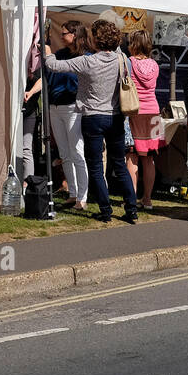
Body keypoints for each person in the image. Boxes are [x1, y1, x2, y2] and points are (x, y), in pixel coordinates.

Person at [44, 19, 139, 223]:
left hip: (93, 117)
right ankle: (131, 209)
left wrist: (46, 49)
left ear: (96, 40)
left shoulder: (88, 61)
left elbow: (54, 65)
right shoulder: (121, 59)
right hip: (115, 116)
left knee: (95, 166)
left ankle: (106, 211)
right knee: (119, 165)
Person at [49, 20, 89, 210]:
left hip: (73, 107)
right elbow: (49, 75)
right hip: (55, 106)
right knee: (65, 153)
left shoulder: (86, 57)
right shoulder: (60, 54)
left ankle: (83, 196)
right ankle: (73, 193)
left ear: (75, 34)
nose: (62, 36)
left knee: (77, 151)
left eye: (65, 33)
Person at [124, 30, 162, 212]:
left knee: (132, 155)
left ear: (133, 44)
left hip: (134, 110)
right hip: (153, 112)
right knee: (150, 158)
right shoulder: (155, 65)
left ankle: (131, 198)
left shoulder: (128, 63)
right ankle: (147, 199)